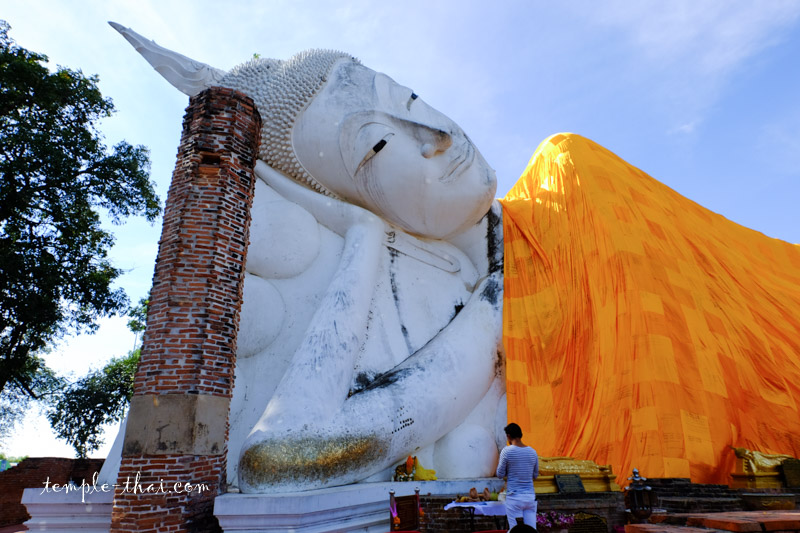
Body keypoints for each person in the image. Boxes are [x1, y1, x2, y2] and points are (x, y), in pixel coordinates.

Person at [497, 423, 539, 531]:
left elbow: (500, 474)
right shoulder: (533, 452)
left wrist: (510, 471)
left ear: (508, 436)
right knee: (531, 530)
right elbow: (535, 475)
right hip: (529, 497)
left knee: (515, 530)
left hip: (514, 498)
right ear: (521, 435)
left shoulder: (507, 451)